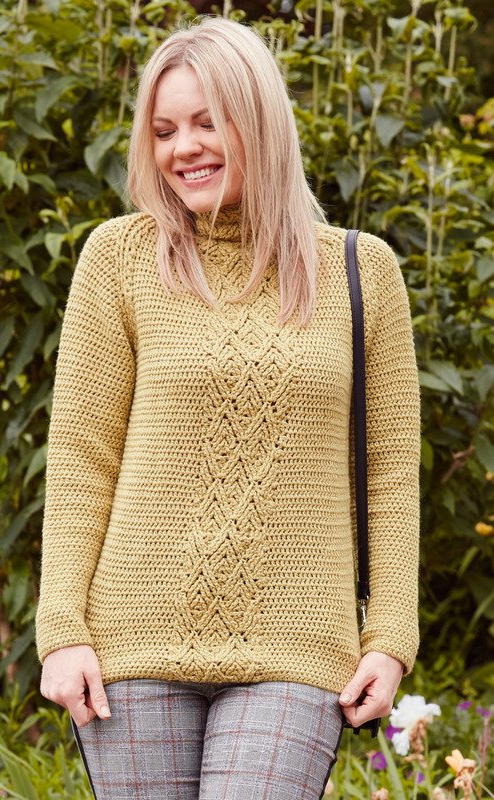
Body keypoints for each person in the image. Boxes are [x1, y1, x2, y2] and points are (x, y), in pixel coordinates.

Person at [35, 14, 421, 800]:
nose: (185, 148)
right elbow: (80, 458)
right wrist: (62, 631)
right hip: (130, 645)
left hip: (296, 646)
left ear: (261, 122)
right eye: (165, 130)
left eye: (208, 122)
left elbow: (390, 472)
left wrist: (390, 637)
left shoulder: (361, 271)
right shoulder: (118, 259)